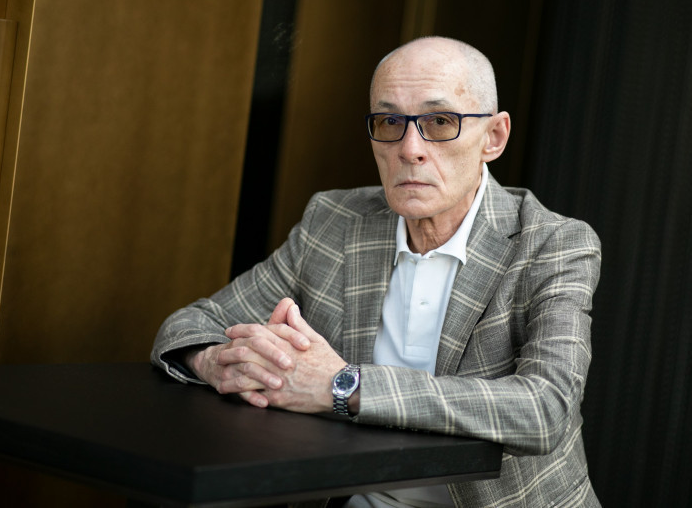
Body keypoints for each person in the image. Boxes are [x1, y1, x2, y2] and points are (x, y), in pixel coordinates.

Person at [151, 36, 602, 507]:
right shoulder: (334, 222)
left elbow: (544, 410)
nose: (410, 149)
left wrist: (342, 386)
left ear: (494, 137)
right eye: (390, 122)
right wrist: (216, 362)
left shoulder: (553, 244)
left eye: (440, 121)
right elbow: (190, 325)